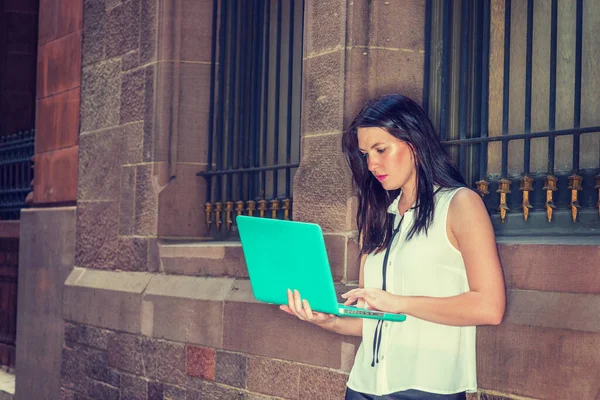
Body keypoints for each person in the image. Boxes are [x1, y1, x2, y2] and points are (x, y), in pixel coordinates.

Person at [280, 94, 506, 399]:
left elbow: (490, 307)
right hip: (362, 387)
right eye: (365, 154)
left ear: (413, 143)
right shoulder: (378, 215)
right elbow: (368, 319)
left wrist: (399, 302)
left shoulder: (461, 205)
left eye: (381, 149)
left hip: (427, 388)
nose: (372, 163)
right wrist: (329, 320)